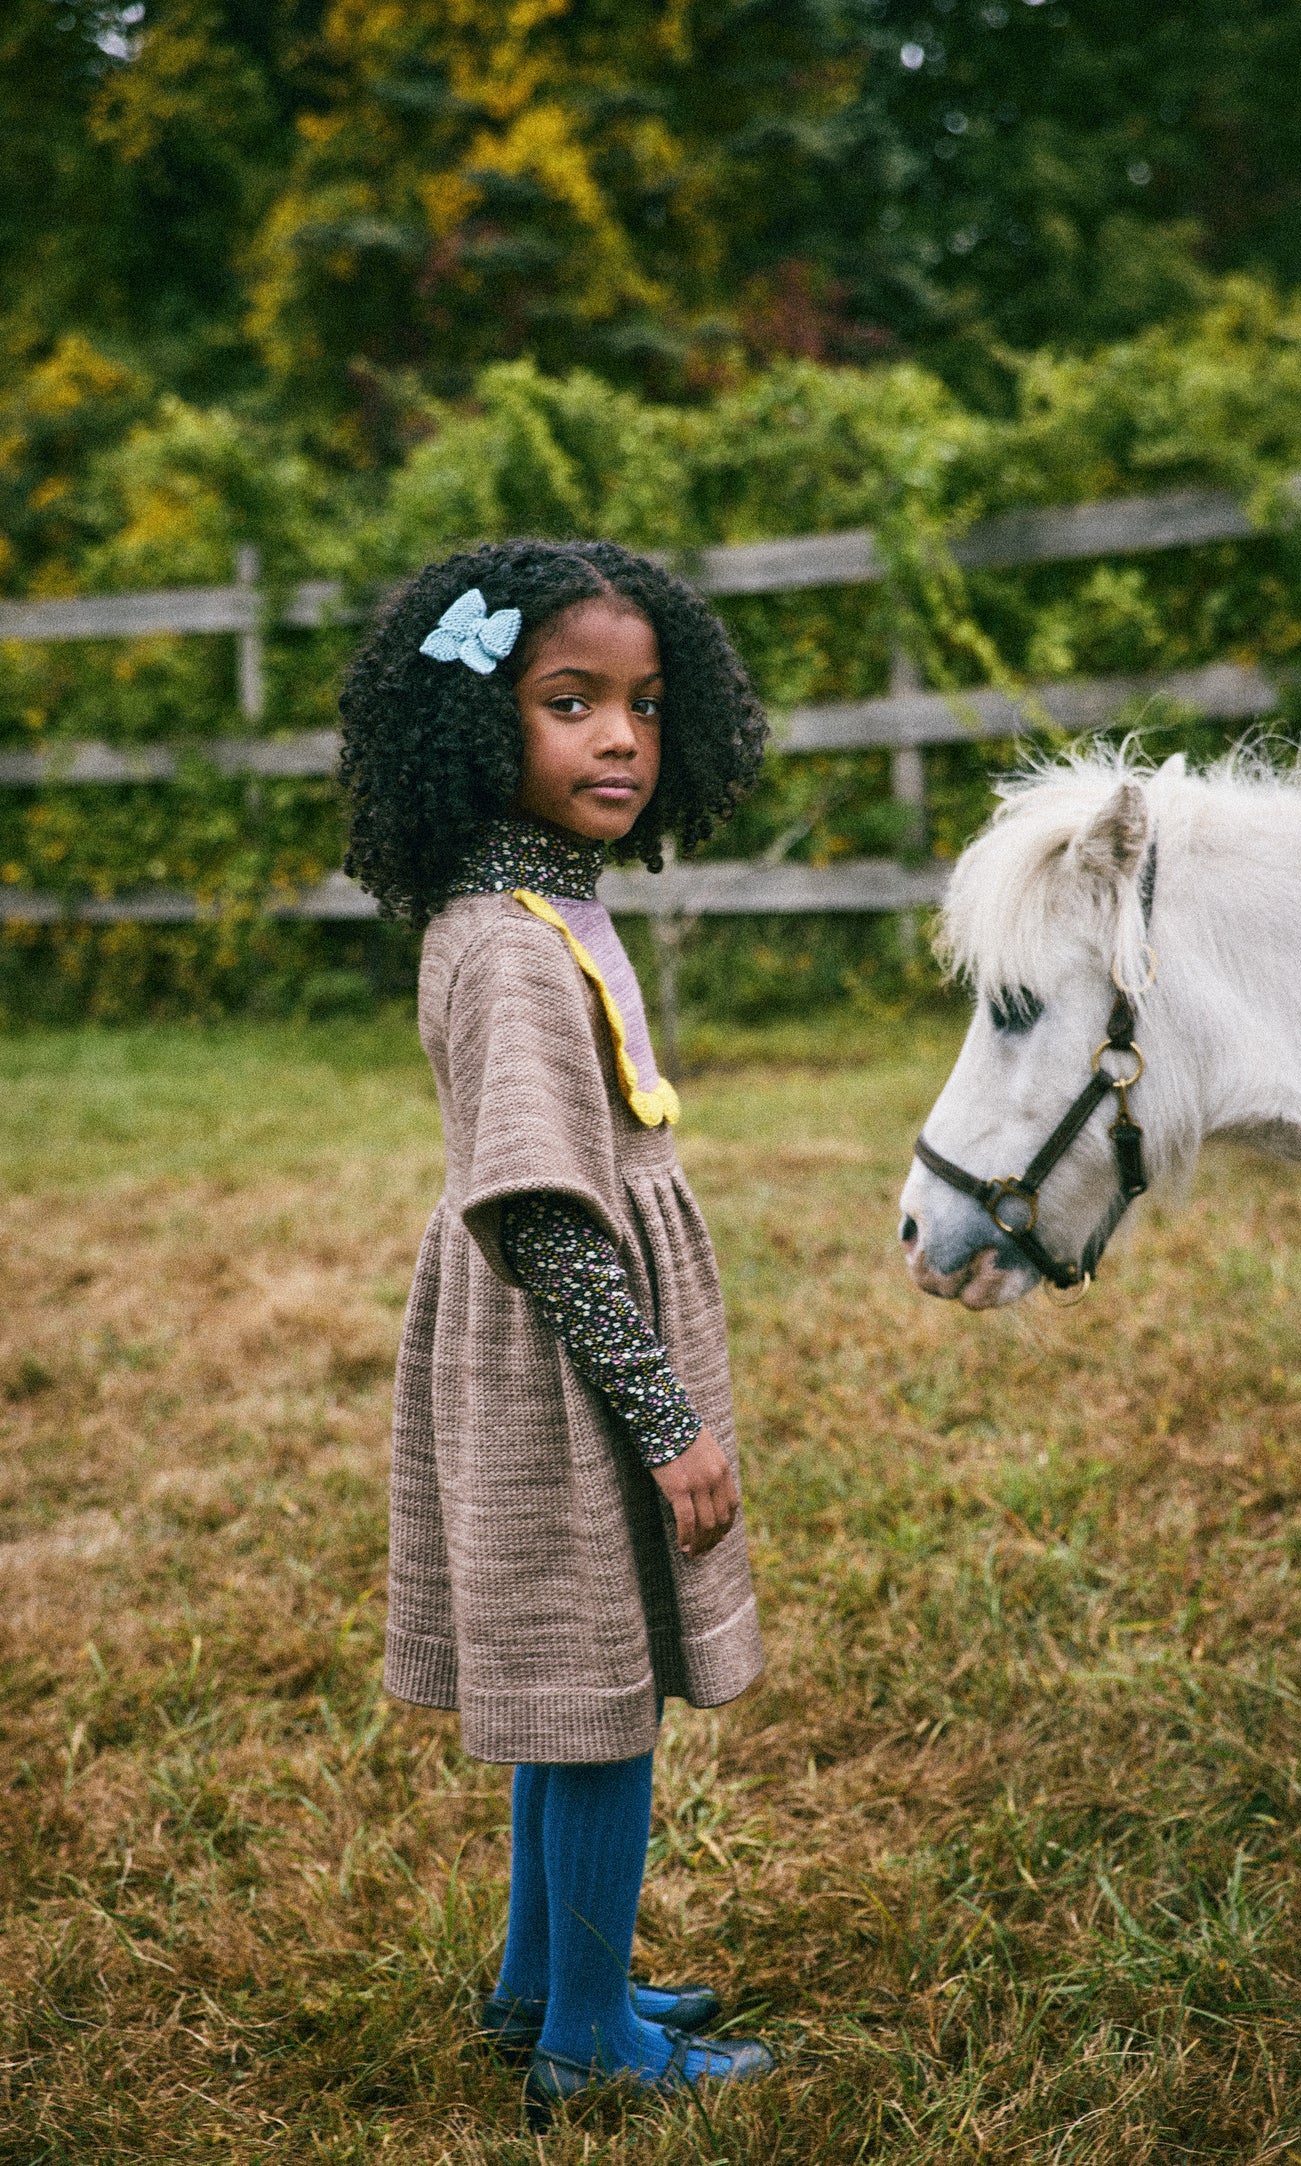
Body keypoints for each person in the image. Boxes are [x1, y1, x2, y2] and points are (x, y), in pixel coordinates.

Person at [337, 539, 774, 2110]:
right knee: (598, 1705)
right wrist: (665, 1420)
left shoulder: (533, 905)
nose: (619, 741)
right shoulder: (515, 943)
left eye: (646, 706)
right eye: (568, 701)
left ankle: (546, 1982)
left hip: (556, 1353)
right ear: (477, 724)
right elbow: (535, 1208)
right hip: (568, 1365)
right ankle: (593, 2047)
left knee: (570, 1687)